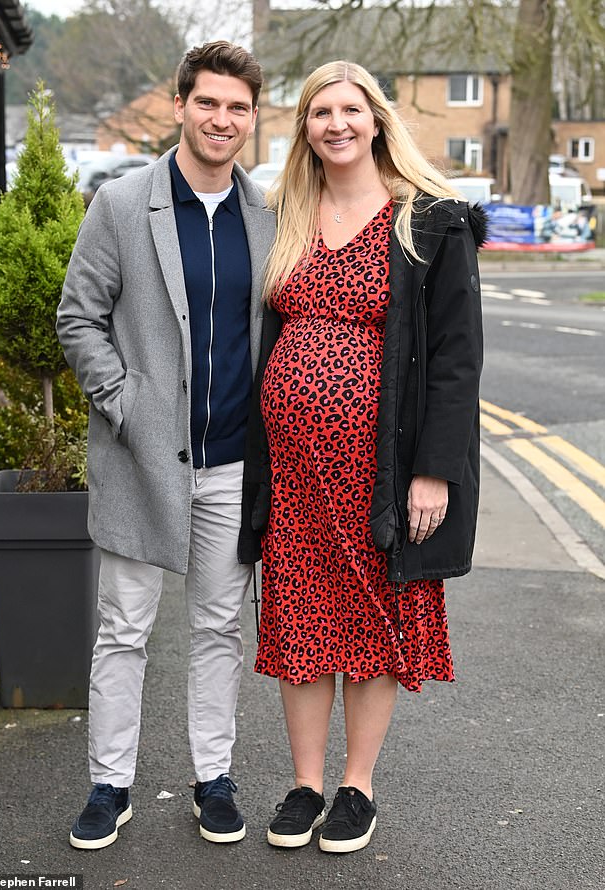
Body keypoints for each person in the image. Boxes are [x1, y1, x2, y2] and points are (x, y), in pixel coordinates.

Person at [238, 60, 486, 854]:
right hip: (293, 472)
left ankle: (357, 786)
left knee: (376, 621)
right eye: (319, 113)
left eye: (350, 110)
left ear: (376, 119)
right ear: (304, 128)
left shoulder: (430, 221)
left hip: (383, 468)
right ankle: (306, 784)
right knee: (301, 619)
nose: (336, 124)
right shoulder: (288, 214)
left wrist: (435, 469)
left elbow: (455, 357)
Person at [56, 40, 275, 850]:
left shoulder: (267, 214)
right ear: (182, 105)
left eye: (238, 107)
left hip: (232, 466)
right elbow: (77, 317)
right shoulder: (121, 204)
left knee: (219, 628)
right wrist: (125, 403)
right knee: (124, 630)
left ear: (253, 118)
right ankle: (108, 786)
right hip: (140, 460)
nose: (222, 119)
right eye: (209, 103)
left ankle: (212, 778)